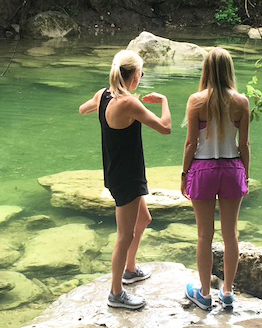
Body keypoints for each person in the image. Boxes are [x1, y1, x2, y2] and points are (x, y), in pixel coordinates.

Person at [79, 49, 171, 310]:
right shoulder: (128, 103)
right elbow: (165, 128)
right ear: (135, 76)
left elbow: (82, 109)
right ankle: (116, 293)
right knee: (125, 235)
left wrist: (96, 106)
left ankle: (130, 270)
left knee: (144, 219)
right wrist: (164, 101)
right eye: (141, 73)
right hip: (127, 176)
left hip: (117, 170)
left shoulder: (104, 95)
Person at [180, 47, 250, 312]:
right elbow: (243, 143)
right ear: (229, 69)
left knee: (203, 235)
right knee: (231, 233)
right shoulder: (241, 102)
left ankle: (205, 294)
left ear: (206, 70)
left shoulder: (196, 101)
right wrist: (246, 172)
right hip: (232, 168)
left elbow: (190, 143)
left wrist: (185, 174)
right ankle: (229, 292)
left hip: (203, 169)